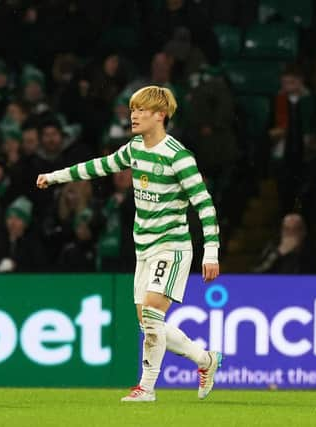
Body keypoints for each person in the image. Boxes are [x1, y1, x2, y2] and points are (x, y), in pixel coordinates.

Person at [37, 86, 221, 402]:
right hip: (144, 248)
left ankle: (146, 389)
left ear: (160, 115)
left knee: (151, 316)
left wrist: (212, 251)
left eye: (141, 110)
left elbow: (204, 204)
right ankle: (206, 360)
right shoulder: (135, 147)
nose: (133, 115)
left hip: (172, 246)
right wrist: (56, 177)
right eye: (133, 109)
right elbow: (100, 165)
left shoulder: (178, 157)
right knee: (149, 323)